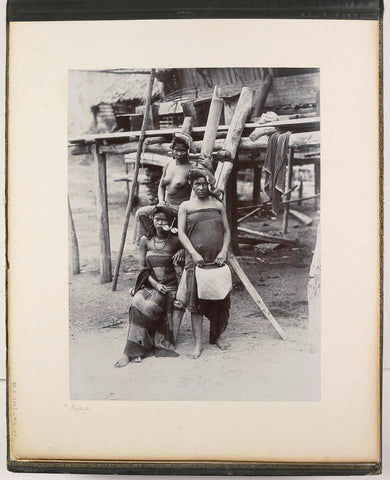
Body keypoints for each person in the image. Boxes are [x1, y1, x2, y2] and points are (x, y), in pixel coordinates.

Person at [115, 206, 184, 367]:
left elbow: (191, 250)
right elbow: (143, 268)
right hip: (150, 283)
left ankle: (135, 350)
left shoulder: (176, 240)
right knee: (136, 303)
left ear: (170, 222)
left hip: (168, 286)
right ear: (152, 220)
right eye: (157, 219)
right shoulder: (145, 240)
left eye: (164, 220)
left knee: (148, 306)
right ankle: (131, 350)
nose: (160, 223)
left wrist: (182, 251)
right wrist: (155, 284)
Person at [177, 168, 231, 359]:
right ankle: (198, 343)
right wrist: (193, 253)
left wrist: (224, 251)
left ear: (210, 185)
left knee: (220, 299)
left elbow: (227, 231)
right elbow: (181, 233)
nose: (201, 187)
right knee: (196, 302)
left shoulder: (217, 204)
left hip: (217, 258)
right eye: (197, 184)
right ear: (192, 185)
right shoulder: (186, 206)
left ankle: (217, 336)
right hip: (197, 261)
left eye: (204, 184)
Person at [134, 132, 196, 245]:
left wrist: (186, 208)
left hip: (179, 207)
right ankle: (146, 243)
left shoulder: (192, 168)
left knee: (169, 225)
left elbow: (194, 191)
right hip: (166, 205)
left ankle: (165, 244)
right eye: (176, 150)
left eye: (182, 150)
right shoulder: (169, 164)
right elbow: (161, 186)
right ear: (172, 150)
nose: (179, 153)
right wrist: (161, 201)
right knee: (142, 212)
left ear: (187, 151)